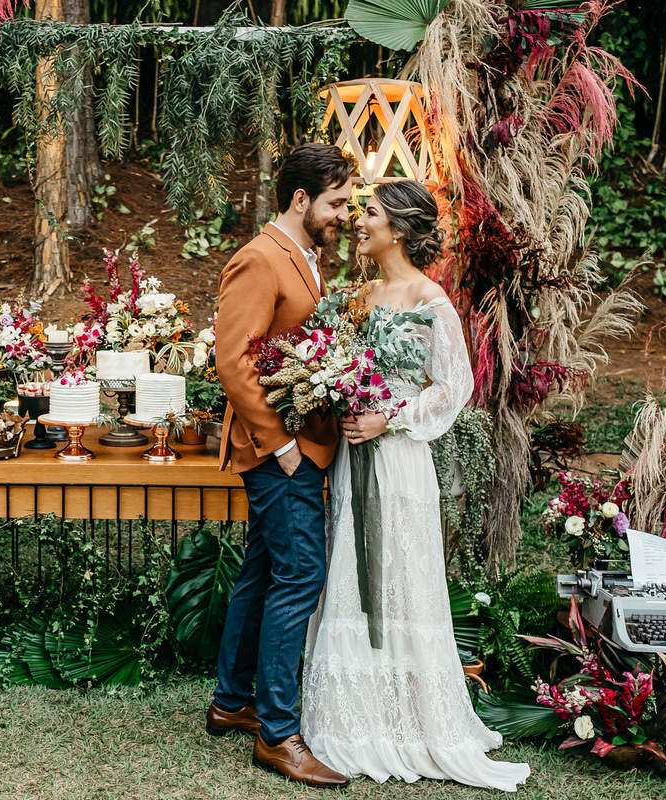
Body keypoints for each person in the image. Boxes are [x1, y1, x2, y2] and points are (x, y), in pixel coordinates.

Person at [300, 180, 530, 792]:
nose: (359, 223)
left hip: (400, 460)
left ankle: (410, 720)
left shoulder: (432, 301)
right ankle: (351, 719)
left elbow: (453, 388)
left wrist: (390, 416)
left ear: (397, 229)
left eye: (369, 214)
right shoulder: (359, 294)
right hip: (355, 457)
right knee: (350, 569)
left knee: (400, 574)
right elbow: (336, 361)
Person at [208, 142, 350, 788]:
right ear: (301, 199)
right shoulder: (260, 259)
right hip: (277, 452)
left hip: (300, 446)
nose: (346, 214)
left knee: (263, 573)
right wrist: (285, 449)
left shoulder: (307, 257)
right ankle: (278, 733)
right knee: (300, 577)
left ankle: (232, 700)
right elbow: (233, 362)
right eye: (337, 202)